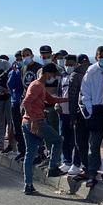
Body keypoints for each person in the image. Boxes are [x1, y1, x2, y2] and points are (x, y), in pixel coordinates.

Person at [21, 63, 69, 195]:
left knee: (29, 155)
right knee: (58, 140)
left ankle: (28, 185)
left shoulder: (39, 85)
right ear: (47, 73)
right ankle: (53, 167)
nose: (53, 77)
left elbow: (52, 100)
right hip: (35, 122)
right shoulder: (37, 86)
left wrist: (69, 99)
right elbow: (26, 102)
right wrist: (35, 122)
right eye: (53, 75)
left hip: (26, 122)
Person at [79, 46, 103, 188]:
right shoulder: (91, 72)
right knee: (94, 144)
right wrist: (90, 113)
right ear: (96, 57)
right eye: (101, 56)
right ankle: (92, 173)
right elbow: (85, 95)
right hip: (96, 111)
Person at [67, 54, 91, 181]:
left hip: (80, 113)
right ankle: (91, 168)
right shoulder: (94, 71)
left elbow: (73, 97)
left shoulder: (75, 75)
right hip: (93, 113)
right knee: (91, 143)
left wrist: (72, 117)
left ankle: (87, 168)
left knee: (80, 143)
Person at [57, 55, 78, 174]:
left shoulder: (78, 77)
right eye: (67, 64)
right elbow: (59, 92)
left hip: (73, 113)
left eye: (71, 64)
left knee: (75, 140)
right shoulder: (63, 77)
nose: (68, 66)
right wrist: (57, 105)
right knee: (64, 137)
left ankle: (76, 163)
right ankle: (66, 161)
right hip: (63, 113)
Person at [8, 51, 27, 161]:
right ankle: (21, 150)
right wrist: (14, 72)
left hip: (24, 103)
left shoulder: (26, 71)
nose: (19, 61)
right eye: (18, 59)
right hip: (15, 102)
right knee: (17, 128)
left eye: (21, 58)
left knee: (26, 128)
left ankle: (28, 151)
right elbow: (10, 85)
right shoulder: (14, 72)